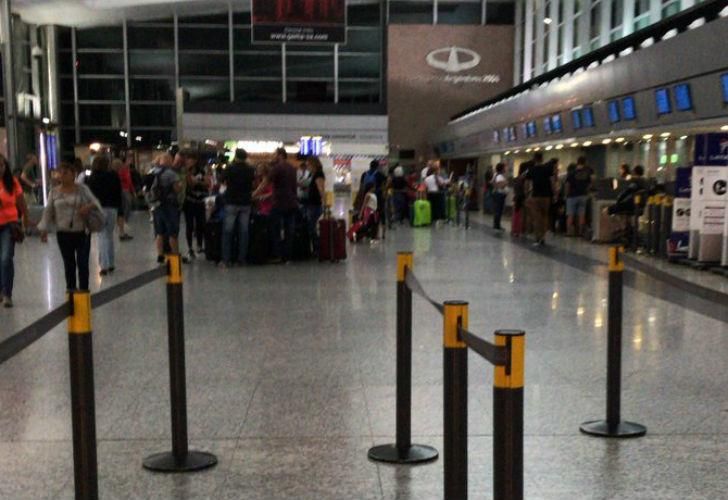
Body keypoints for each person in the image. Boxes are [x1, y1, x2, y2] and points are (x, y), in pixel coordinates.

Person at [39, 162, 103, 292]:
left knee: (83, 263)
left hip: (82, 231)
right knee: (69, 263)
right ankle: (71, 290)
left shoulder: (82, 189)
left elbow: (96, 203)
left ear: (73, 174)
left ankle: (84, 290)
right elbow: (49, 211)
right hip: (63, 232)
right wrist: (43, 228)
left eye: (65, 173)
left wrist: (87, 207)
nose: (62, 176)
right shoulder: (54, 192)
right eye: (60, 173)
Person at [0, 154, 29, 308]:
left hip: (9, 224)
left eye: (2, 166)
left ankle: (7, 294)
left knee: (6, 258)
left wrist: (26, 218)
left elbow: (21, 202)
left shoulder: (13, 183)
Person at [86, 156, 122, 276]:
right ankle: (111, 263)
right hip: (112, 208)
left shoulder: (92, 177)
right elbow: (118, 192)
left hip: (99, 209)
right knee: (109, 235)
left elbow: (90, 195)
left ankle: (104, 265)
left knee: (102, 236)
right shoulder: (113, 175)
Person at [220, 148, 255, 267]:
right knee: (244, 232)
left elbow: (221, 180)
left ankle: (226, 260)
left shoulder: (230, 168)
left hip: (231, 202)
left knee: (228, 231)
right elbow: (253, 183)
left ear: (236, 156)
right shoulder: (250, 169)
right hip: (246, 202)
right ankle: (242, 259)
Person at [150, 153, 183, 263]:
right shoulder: (171, 173)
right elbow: (177, 189)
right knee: (172, 233)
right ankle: (175, 255)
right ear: (169, 161)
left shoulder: (152, 172)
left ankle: (160, 255)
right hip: (170, 206)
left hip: (156, 205)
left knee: (159, 232)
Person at [269, 148, 299, 263]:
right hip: (291, 202)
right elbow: (294, 186)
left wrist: (254, 193)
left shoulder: (277, 168)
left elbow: (266, 181)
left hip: (279, 202)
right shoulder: (292, 168)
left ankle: (277, 255)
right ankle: (288, 256)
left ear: (280, 155)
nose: (273, 156)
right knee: (289, 231)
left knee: (275, 229)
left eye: (275, 154)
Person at [524, 152, 556, 246]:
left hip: (536, 195)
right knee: (545, 216)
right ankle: (543, 237)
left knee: (537, 217)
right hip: (546, 196)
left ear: (534, 159)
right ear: (542, 159)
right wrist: (554, 194)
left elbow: (527, 183)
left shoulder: (531, 170)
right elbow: (552, 182)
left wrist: (526, 195)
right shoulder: (548, 169)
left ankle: (538, 238)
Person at [183, 151, 208, 259]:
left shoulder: (201, 170)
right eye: (189, 159)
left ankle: (199, 245)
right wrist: (198, 181)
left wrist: (197, 182)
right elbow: (190, 184)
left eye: (193, 159)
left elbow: (207, 183)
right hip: (189, 201)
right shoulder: (184, 171)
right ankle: (189, 248)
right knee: (189, 225)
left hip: (200, 201)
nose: (191, 161)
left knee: (200, 224)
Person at [564, 157, 594, 236]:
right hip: (583, 195)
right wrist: (587, 190)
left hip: (572, 196)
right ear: (585, 162)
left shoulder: (572, 172)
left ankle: (569, 232)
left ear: (577, 162)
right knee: (581, 215)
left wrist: (566, 194)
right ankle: (580, 232)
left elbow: (567, 184)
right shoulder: (587, 172)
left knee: (570, 215)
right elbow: (591, 183)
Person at [306, 156, 325, 255]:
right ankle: (316, 248)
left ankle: (317, 249)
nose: (307, 167)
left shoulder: (318, 174)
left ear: (313, 164)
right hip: (312, 204)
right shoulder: (314, 175)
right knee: (312, 227)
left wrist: (324, 202)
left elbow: (321, 189)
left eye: (308, 165)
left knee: (312, 228)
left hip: (315, 205)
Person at [116, 158, 135, 241]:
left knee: (128, 205)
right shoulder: (120, 171)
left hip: (126, 189)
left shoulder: (127, 170)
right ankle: (122, 223)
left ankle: (124, 220)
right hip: (122, 190)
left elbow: (129, 181)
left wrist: (133, 190)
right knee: (125, 206)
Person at [492, 163, 508, 230]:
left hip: (498, 194)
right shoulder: (499, 176)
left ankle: (496, 224)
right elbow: (500, 186)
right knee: (499, 210)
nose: (506, 169)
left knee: (498, 210)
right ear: (502, 168)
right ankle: (497, 225)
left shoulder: (496, 175)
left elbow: (492, 182)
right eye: (505, 167)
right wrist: (505, 183)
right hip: (499, 195)